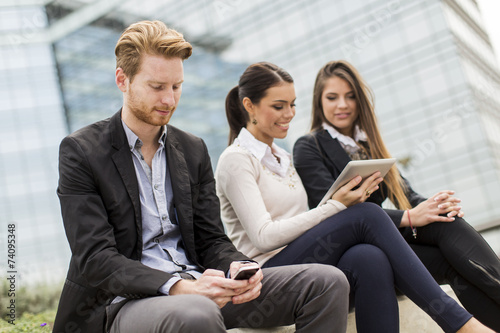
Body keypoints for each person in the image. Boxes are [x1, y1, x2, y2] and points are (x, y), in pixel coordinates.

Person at [52, 21, 351, 333]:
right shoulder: (81, 151)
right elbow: (96, 259)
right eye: (157, 87)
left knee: (326, 282)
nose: (169, 100)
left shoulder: (192, 149)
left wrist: (238, 265)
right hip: (124, 303)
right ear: (122, 80)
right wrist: (177, 287)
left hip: (200, 288)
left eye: (176, 86)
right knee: (197, 312)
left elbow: (211, 239)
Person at [215, 61, 495, 333]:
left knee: (369, 257)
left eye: (292, 104)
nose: (289, 114)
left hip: (303, 259)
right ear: (249, 105)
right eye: (279, 106)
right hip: (267, 273)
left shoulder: (283, 158)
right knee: (367, 214)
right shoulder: (236, 159)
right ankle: (460, 324)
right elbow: (264, 236)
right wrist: (337, 205)